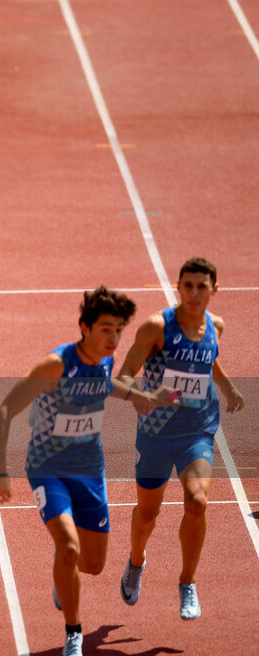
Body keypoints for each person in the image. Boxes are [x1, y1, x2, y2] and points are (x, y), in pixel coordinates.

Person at [0, 288, 180, 656]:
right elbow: (5, 409)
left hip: (90, 469)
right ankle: (73, 632)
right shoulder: (55, 365)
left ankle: (65, 572)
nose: (112, 338)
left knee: (92, 565)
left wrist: (145, 396)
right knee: (70, 548)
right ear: (84, 328)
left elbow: (108, 386)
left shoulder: (103, 363)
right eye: (105, 329)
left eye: (117, 331)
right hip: (48, 468)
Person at [116, 258, 245, 620]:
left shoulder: (215, 326)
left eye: (201, 286)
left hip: (197, 430)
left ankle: (187, 582)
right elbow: (124, 374)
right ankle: (136, 562)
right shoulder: (157, 328)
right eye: (187, 285)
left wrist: (228, 388)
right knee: (147, 514)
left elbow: (209, 361)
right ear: (178, 287)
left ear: (214, 290)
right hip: (156, 435)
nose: (193, 293)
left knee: (197, 501)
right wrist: (139, 397)